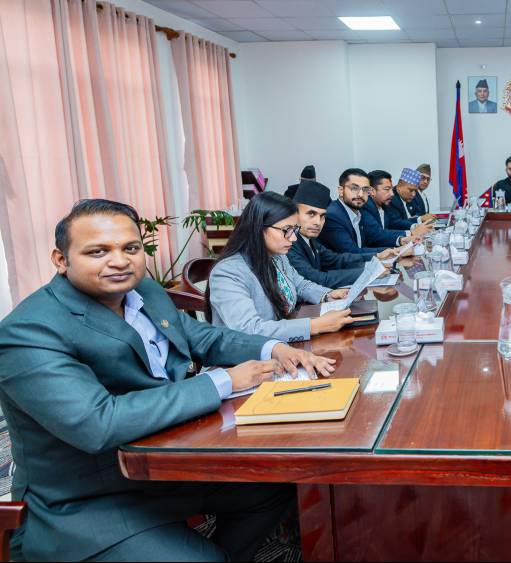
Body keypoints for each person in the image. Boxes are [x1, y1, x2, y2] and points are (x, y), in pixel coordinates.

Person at [0, 199, 335, 561]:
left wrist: (273, 348)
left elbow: (202, 336)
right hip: (88, 502)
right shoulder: (29, 330)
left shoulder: (143, 291)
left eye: (130, 248)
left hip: (165, 467)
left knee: (277, 487)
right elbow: (97, 423)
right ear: (61, 260)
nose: (119, 261)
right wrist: (223, 381)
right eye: (98, 251)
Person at [210, 191, 357, 343]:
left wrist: (327, 295)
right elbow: (250, 330)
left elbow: (300, 285)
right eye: (287, 230)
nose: (293, 238)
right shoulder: (228, 273)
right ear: (259, 227)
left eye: (295, 230)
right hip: (248, 355)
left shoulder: (277, 257)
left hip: (281, 345)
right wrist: (314, 326)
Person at [287, 179, 370, 289]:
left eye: (322, 216)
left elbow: (337, 260)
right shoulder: (288, 243)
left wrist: (375, 260)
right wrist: (368, 273)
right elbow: (318, 279)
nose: (318, 222)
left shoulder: (310, 239)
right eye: (311, 214)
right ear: (294, 214)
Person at [320, 168, 397, 255]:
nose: (360, 194)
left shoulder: (359, 211)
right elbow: (352, 252)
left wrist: (400, 243)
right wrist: (390, 251)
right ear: (341, 191)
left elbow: (374, 237)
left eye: (365, 189)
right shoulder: (333, 216)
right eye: (354, 188)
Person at [366, 169, 432, 245]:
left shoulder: (384, 204)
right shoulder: (367, 207)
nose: (392, 194)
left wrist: (416, 227)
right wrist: (410, 233)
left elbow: (393, 222)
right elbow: (378, 234)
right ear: (372, 191)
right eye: (387, 189)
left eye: (391, 189)